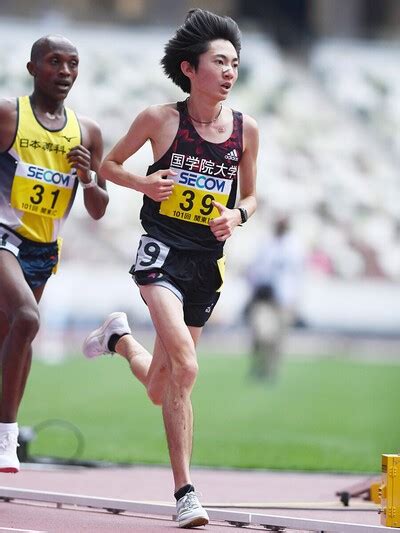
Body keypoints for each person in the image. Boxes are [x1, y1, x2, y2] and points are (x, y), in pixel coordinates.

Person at [83, 8, 258, 529]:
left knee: (163, 386)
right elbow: (108, 166)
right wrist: (145, 184)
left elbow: (251, 194)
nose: (229, 71)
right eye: (220, 61)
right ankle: (186, 493)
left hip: (206, 264)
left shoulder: (247, 130)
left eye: (235, 63)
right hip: (160, 254)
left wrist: (238, 214)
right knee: (186, 366)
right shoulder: (160, 120)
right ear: (190, 68)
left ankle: (119, 340)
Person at [0, 35, 109, 473]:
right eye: (54, 62)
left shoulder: (88, 133)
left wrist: (87, 177)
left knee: (11, 336)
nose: (64, 72)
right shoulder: (9, 115)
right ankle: (6, 437)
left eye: (73, 64)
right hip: (4, 235)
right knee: (27, 319)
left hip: (44, 250)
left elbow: (99, 209)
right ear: (32, 68)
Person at [245, 215, 304, 381]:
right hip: (264, 296)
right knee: (261, 333)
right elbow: (256, 268)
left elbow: (298, 275)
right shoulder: (266, 243)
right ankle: (258, 364)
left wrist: (296, 299)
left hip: (284, 298)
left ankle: (270, 370)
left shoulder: (294, 246)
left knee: (278, 338)